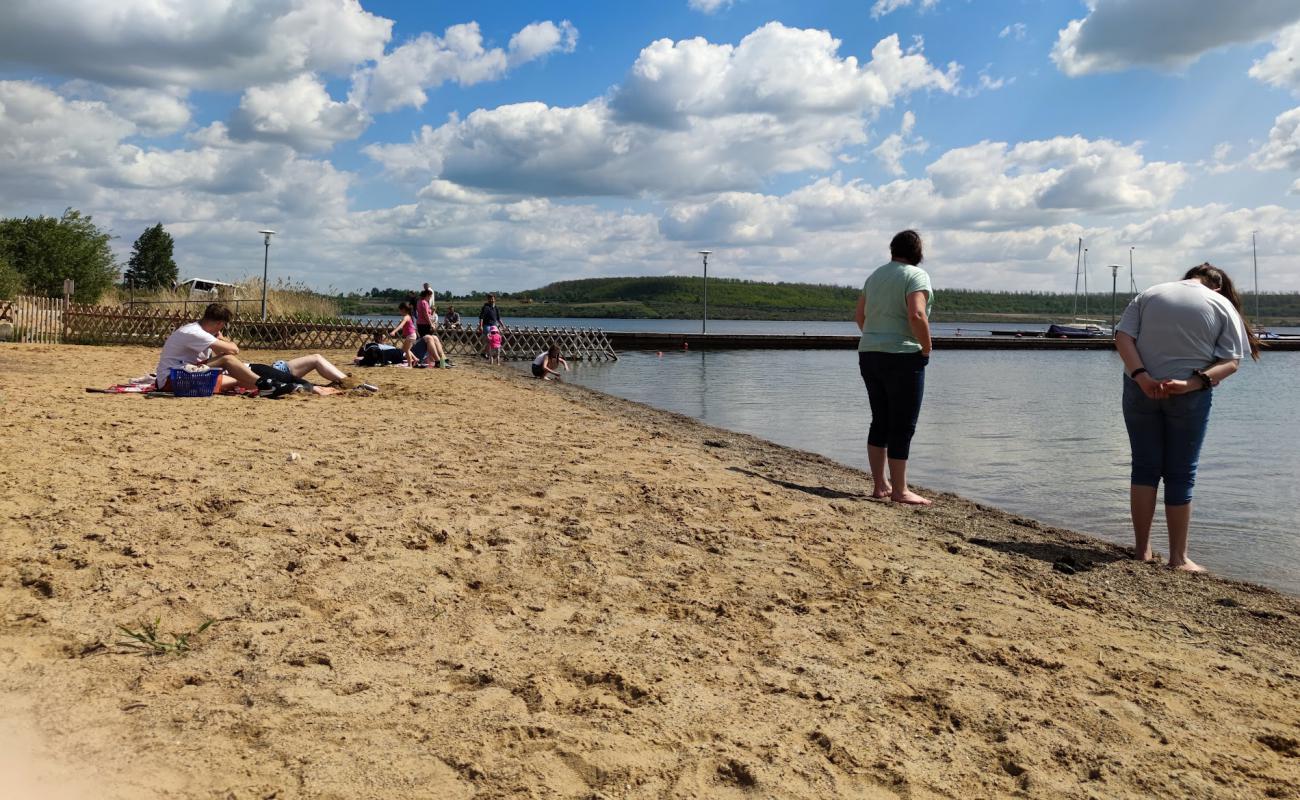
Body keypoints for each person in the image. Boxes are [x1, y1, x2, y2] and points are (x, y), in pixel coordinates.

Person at [1115, 263, 1259, 572]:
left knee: (1144, 467)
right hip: (1189, 395)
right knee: (1181, 474)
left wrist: (1142, 377)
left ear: (1186, 278)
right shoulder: (1221, 304)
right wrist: (1191, 384)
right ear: (1217, 286)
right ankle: (1178, 559)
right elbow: (1231, 362)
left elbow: (1123, 338)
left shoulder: (1150, 294)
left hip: (1140, 389)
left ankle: (1142, 551)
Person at [854, 229, 933, 506]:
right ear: (917, 253)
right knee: (903, 425)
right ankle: (900, 490)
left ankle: (880, 486)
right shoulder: (916, 275)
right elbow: (917, 313)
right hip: (902, 356)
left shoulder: (875, 276)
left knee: (881, 419)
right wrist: (926, 347)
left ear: (892, 249)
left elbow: (859, 316)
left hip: (869, 353)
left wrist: (877, 336)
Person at [155, 303, 259, 392]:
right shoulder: (196, 333)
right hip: (173, 380)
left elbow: (220, 353)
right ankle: (264, 383)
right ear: (220, 323)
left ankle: (266, 386)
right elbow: (233, 350)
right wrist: (222, 339)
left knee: (237, 376)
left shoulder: (196, 329)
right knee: (232, 369)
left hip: (182, 373)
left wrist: (219, 340)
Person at [389, 302, 419, 367]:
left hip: (411, 336)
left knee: (407, 350)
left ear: (403, 310)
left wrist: (394, 331)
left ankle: (410, 365)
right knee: (404, 349)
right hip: (411, 335)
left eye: (400, 310)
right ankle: (415, 359)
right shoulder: (409, 316)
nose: (399, 312)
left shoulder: (406, 317)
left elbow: (401, 325)